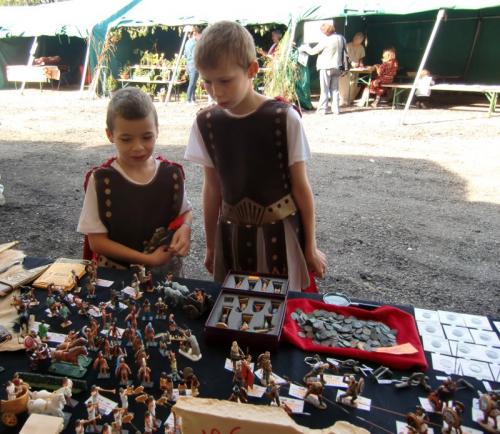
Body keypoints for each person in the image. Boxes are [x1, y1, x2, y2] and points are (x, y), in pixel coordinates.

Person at [185, 21, 327, 292]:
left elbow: (300, 186)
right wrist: (211, 245)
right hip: (232, 239)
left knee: (284, 314)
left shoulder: (284, 118)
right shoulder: (205, 123)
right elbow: (212, 187)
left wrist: (310, 247)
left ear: (252, 69)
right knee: (235, 313)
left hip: (282, 238)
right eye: (207, 82)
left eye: (225, 81)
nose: (216, 92)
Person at [78, 87, 192, 273]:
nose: (138, 147)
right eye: (126, 139)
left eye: (147, 137)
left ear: (157, 130)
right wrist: (147, 259)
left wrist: (185, 227)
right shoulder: (100, 181)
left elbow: (185, 211)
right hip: (116, 278)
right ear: (110, 135)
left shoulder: (172, 174)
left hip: (166, 274)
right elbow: (97, 242)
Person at [300, 23, 347, 115]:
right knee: (335, 89)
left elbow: (313, 52)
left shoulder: (326, 40)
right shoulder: (341, 38)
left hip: (325, 66)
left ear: (325, 32)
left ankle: (322, 110)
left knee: (324, 89)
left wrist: (305, 47)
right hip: (337, 66)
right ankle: (336, 109)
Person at [339, 32, 365, 105]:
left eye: (360, 41)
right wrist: (351, 63)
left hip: (355, 69)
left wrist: (361, 64)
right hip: (346, 68)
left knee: (353, 84)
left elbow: (361, 58)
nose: (358, 42)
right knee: (344, 85)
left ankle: (350, 100)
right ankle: (342, 100)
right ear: (354, 38)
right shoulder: (347, 46)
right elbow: (345, 57)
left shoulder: (361, 47)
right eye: (357, 40)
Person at [185, 26, 201, 104]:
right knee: (192, 83)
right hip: (194, 65)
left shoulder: (187, 42)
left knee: (192, 83)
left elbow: (185, 54)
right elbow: (196, 55)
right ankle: (188, 100)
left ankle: (193, 99)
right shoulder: (195, 43)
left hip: (188, 64)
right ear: (196, 34)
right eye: (200, 35)